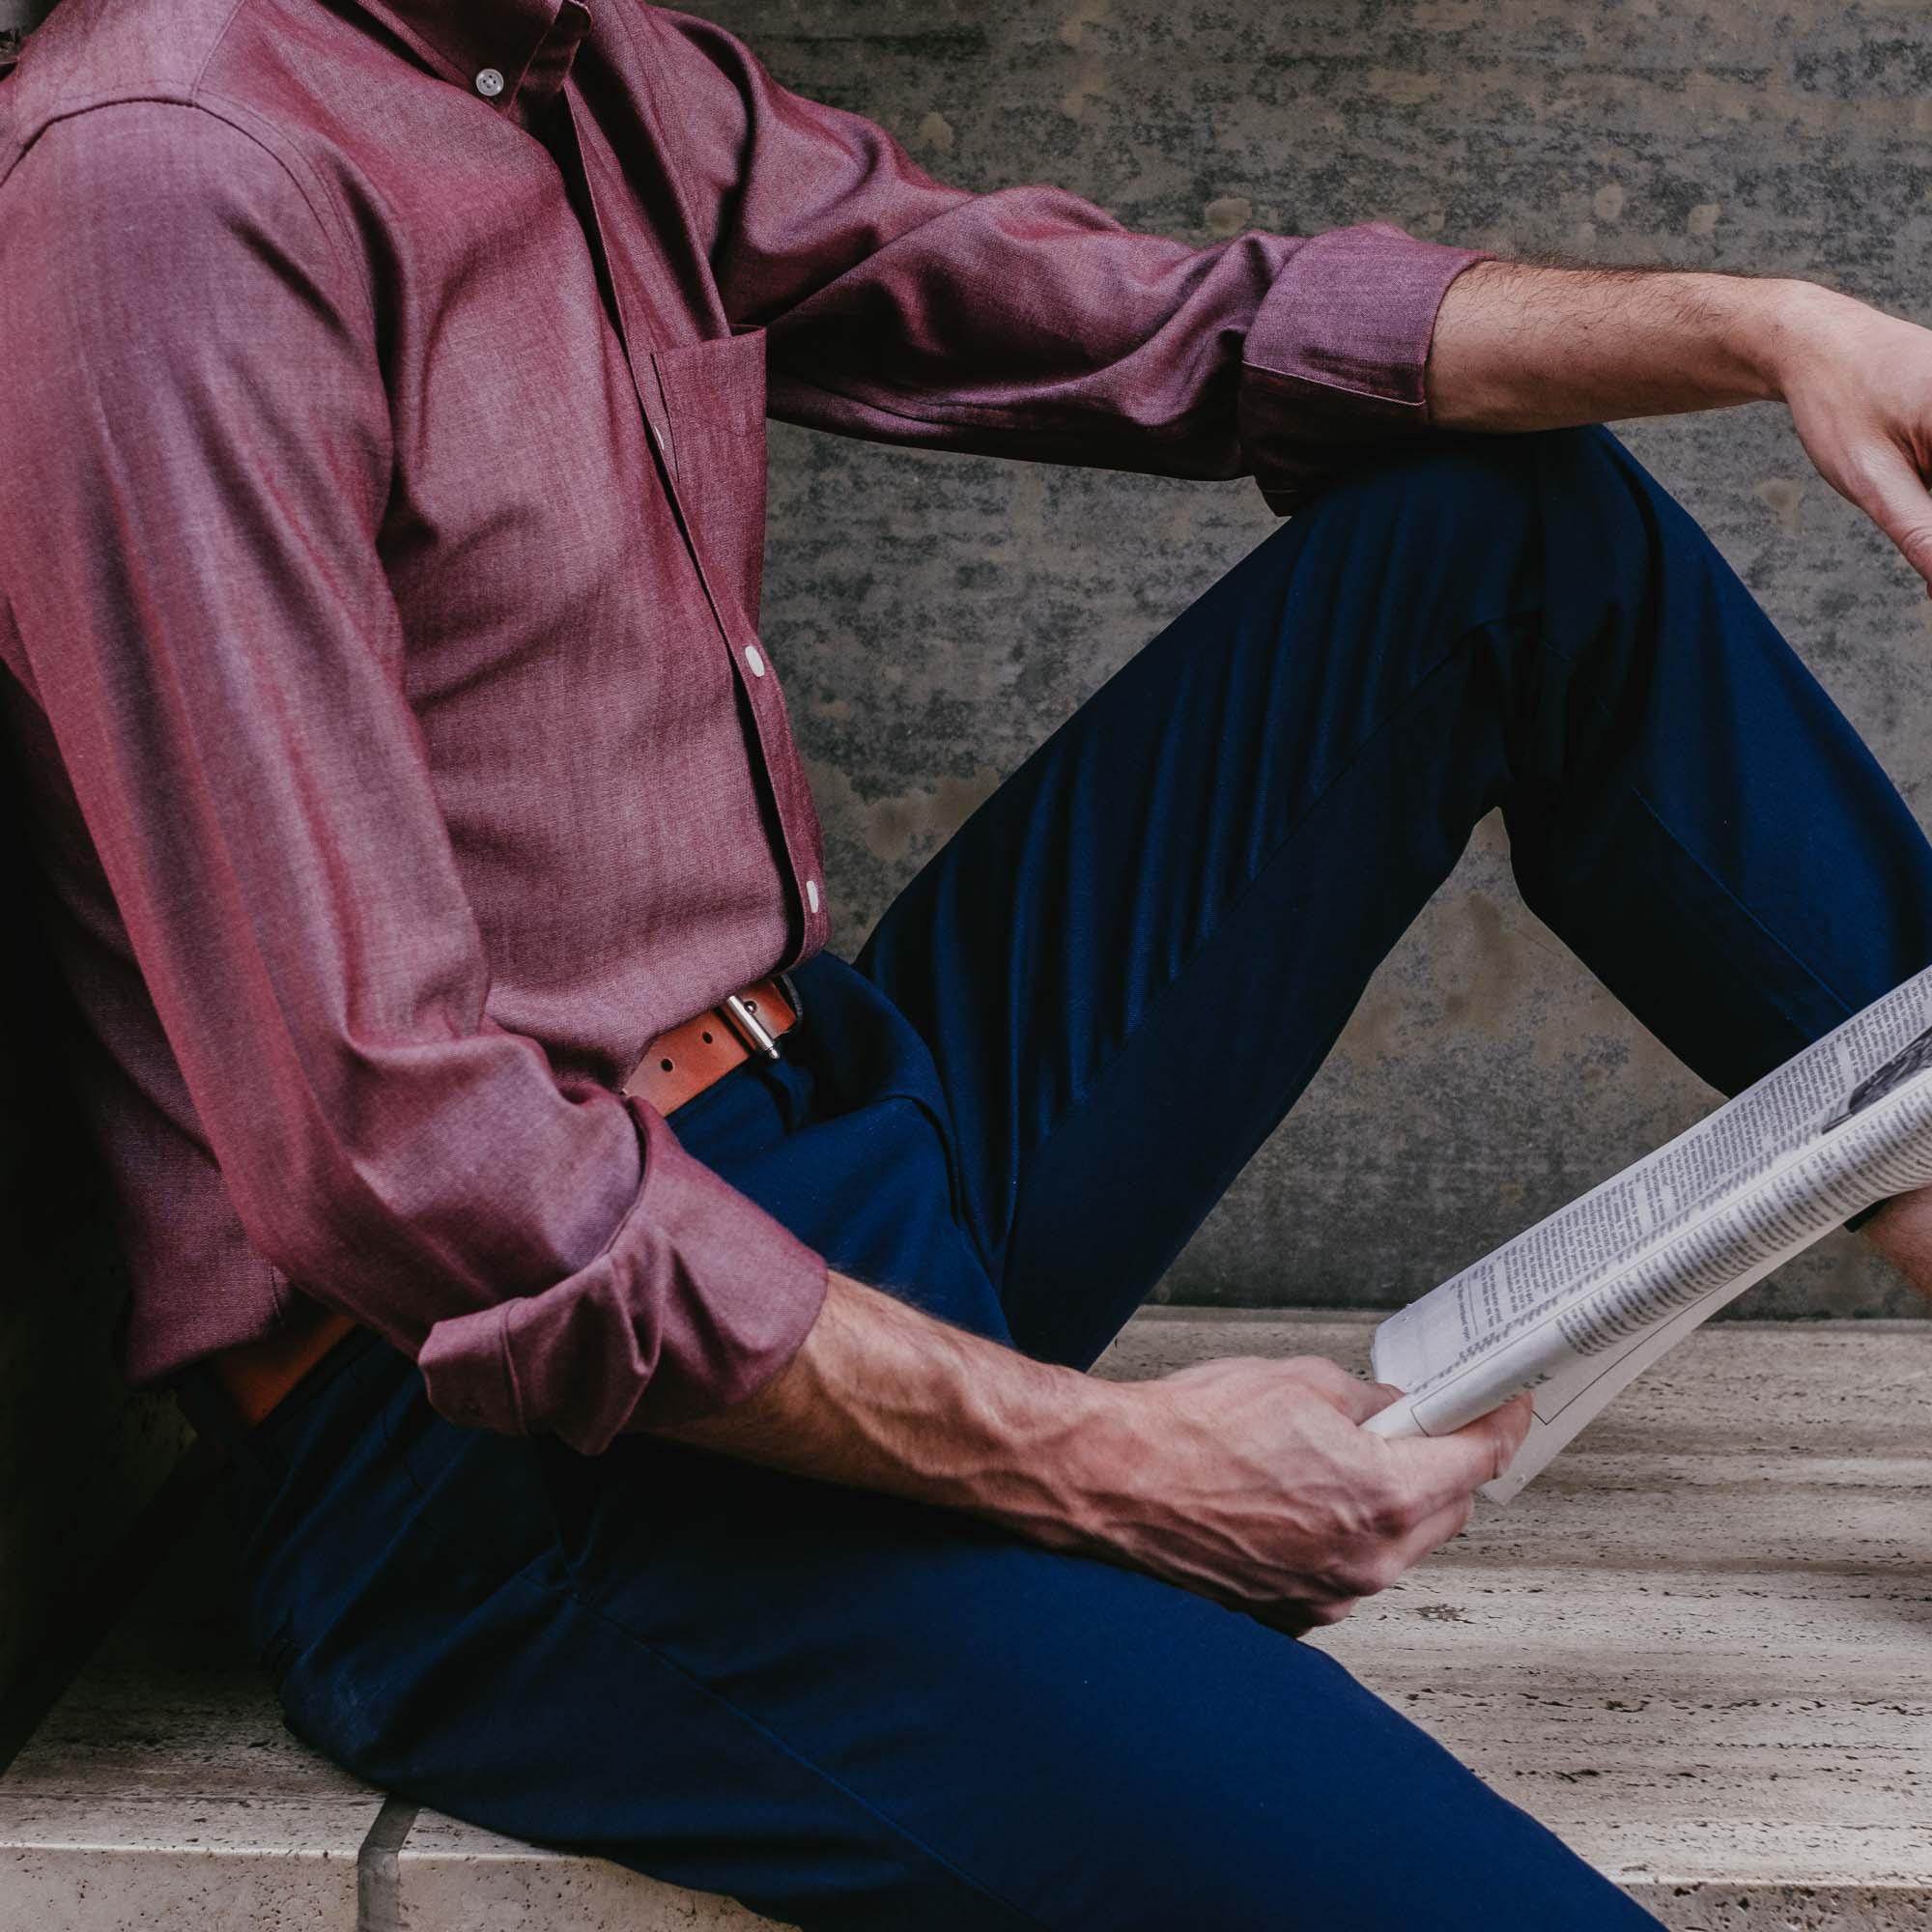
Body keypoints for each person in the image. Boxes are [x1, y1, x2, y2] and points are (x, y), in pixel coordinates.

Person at [5, 0, 1932, 1925]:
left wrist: (1763, 330)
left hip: (839, 1120)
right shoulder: (167, 178)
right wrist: (1105, 1461)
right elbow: (404, 1157)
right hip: (520, 1448)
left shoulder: (570, 67)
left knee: (1513, 531)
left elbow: (1164, 324)